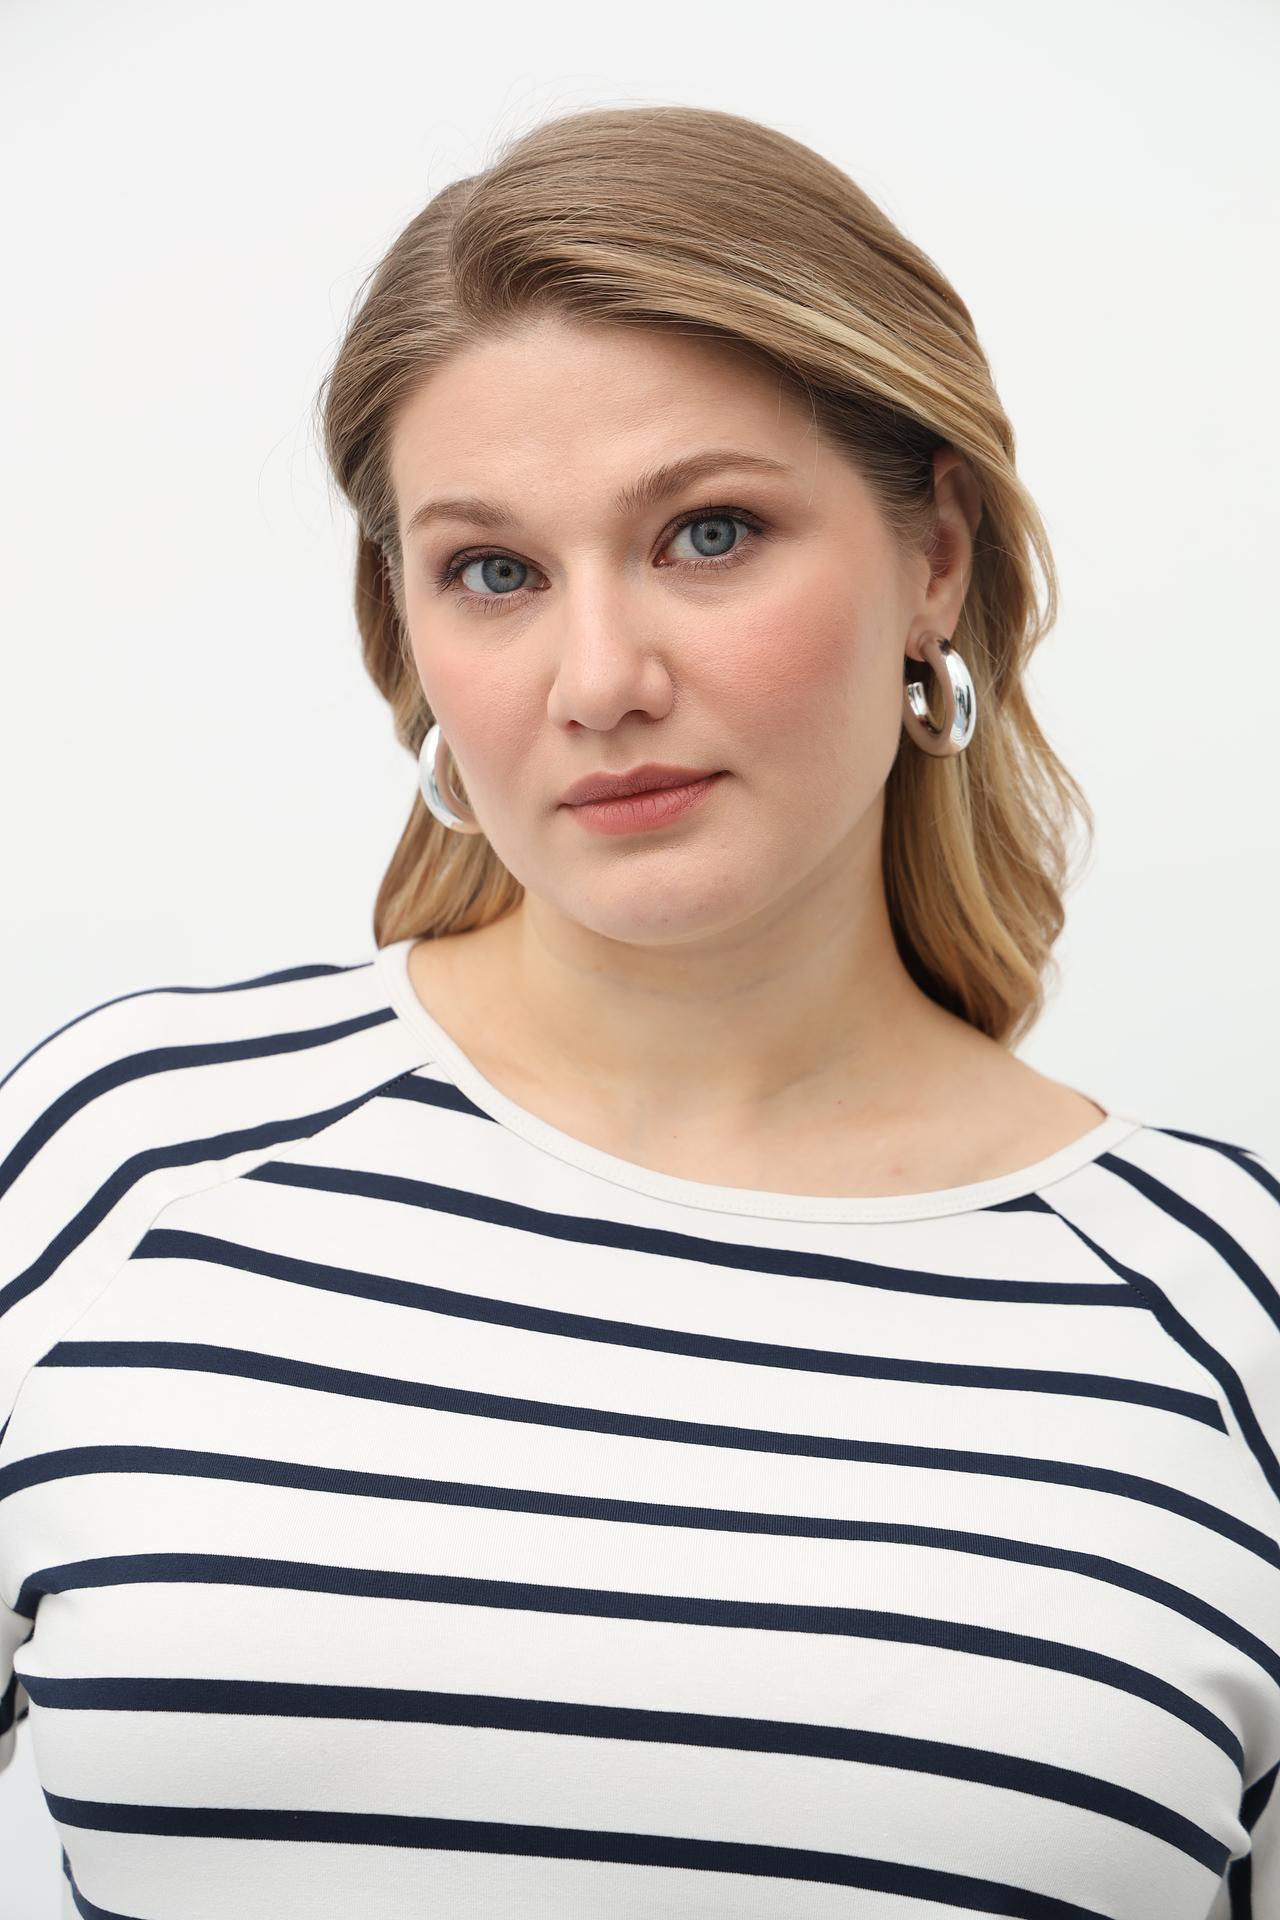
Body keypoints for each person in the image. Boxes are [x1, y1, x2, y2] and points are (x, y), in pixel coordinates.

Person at [1, 102, 1276, 1920]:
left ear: (936, 556)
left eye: (709, 533)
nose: (599, 680)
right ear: (410, 633)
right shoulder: (120, 1161)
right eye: (495, 573)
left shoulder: (1226, 1311)